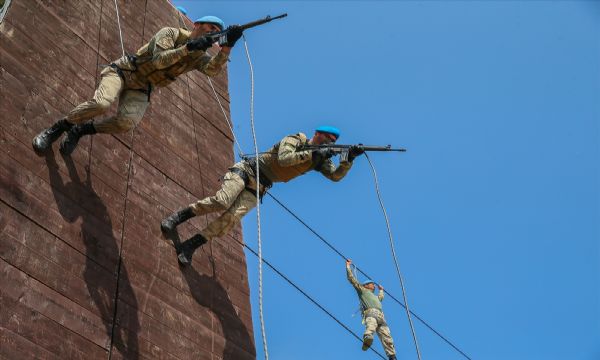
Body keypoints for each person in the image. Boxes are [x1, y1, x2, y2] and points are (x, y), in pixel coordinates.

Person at [32, 16, 242, 156]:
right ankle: (58, 128)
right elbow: (159, 60)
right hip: (125, 72)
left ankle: (81, 130)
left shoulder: (198, 56)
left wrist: (227, 48)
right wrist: (188, 48)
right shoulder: (171, 33)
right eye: (210, 27)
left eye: (216, 31)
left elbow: (212, 71)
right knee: (102, 104)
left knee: (126, 123)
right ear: (197, 24)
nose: (212, 31)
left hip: (142, 87)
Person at [161, 126, 365, 264]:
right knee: (221, 202)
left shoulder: (320, 159)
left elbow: (336, 177)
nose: (327, 144)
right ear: (318, 134)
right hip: (248, 171)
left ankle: (191, 245)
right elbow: (285, 159)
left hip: (260, 186)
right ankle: (178, 217)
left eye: (331, 142)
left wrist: (349, 160)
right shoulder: (296, 139)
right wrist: (311, 154)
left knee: (230, 219)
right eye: (326, 139)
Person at [346, 259, 397, 360]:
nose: (373, 285)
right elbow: (352, 279)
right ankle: (368, 338)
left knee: (387, 337)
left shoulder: (374, 296)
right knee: (371, 326)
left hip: (381, 317)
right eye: (371, 283)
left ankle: (392, 356)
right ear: (366, 285)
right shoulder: (363, 290)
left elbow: (380, 298)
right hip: (371, 313)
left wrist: (381, 291)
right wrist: (348, 267)